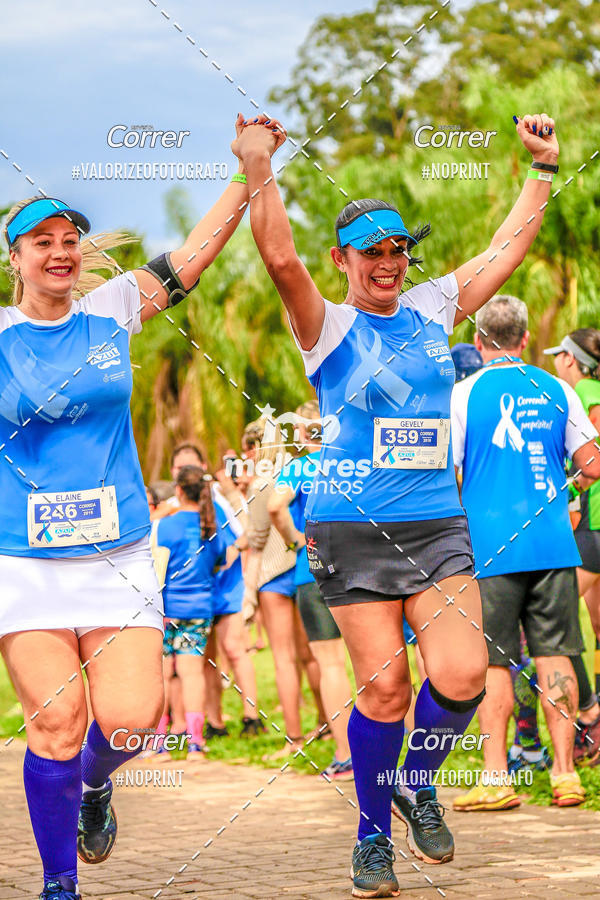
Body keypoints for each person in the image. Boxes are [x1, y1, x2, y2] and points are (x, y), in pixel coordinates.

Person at [236, 110, 560, 896]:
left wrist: (543, 171)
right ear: (342, 260)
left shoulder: (431, 308)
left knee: (461, 675)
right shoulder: (328, 326)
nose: (388, 263)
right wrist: (257, 164)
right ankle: (373, 838)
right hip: (352, 529)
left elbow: (504, 250)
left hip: (437, 523)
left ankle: (418, 781)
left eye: (398, 250)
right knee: (383, 689)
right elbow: (277, 255)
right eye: (372, 252)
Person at [0, 114, 284, 900]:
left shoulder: (113, 310)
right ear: (14, 259)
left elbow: (191, 257)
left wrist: (247, 166)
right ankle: (60, 883)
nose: (59, 252)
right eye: (40, 241)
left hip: (119, 551)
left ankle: (97, 784)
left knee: (128, 724)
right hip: (23, 561)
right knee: (55, 723)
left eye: (69, 239)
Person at [450, 296, 600, 812]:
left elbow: (448, 473)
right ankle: (565, 776)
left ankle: (496, 777)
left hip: (490, 548)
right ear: (523, 338)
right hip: (554, 543)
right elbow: (593, 463)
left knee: (494, 662)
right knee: (556, 654)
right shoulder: (557, 387)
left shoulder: (465, 393)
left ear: (479, 341)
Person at [268, 399, 354, 779]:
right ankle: (395, 747)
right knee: (375, 660)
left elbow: (274, 505)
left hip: (314, 568)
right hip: (361, 568)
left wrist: (295, 540)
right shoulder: (352, 464)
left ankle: (346, 753)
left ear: (302, 434)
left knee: (331, 664)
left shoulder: (297, 467)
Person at [242, 417, 326, 755]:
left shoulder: (262, 480)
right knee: (314, 654)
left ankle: (294, 739)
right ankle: (326, 723)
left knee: (284, 659)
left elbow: (258, 536)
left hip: (276, 571)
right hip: (307, 566)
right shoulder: (299, 467)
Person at [545, 329, 600, 763]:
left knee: (559, 623)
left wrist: (570, 485)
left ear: (571, 359)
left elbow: (590, 458)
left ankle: (590, 718)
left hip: (590, 522)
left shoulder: (578, 390)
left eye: (560, 355)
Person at [151, 465, 229, 758]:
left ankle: (160, 741)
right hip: (199, 606)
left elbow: (153, 561)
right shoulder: (211, 522)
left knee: (162, 672)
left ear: (178, 490)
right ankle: (195, 740)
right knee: (191, 672)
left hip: (165, 609)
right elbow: (219, 560)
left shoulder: (164, 525)